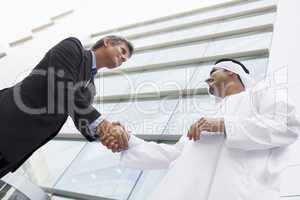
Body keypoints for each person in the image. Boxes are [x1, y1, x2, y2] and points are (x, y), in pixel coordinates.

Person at [102, 58, 300, 200]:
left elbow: (288, 125)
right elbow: (172, 155)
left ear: (230, 71)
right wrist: (129, 140)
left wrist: (224, 125)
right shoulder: (207, 118)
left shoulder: (261, 93)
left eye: (212, 74)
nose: (207, 81)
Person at [0, 35, 133, 178]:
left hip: (18, 148)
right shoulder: (73, 47)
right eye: (123, 51)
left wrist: (107, 135)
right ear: (108, 42)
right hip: (7, 119)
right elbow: (62, 86)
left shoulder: (90, 88)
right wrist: (103, 124)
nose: (123, 59)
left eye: (125, 60)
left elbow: (83, 122)